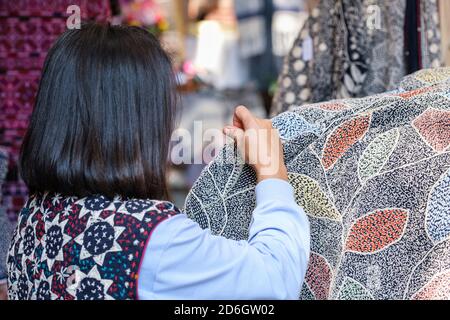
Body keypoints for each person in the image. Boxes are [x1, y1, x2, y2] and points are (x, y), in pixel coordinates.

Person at [6, 23, 310, 300]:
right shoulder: (150, 238)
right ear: (140, 122)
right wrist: (272, 169)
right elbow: (275, 281)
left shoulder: (35, 216)